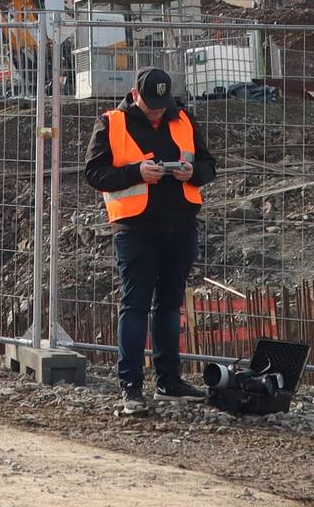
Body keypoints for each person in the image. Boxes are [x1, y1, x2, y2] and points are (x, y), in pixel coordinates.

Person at [83, 67, 217, 415]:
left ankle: (169, 381)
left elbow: (208, 164)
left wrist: (194, 173)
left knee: (170, 306)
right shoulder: (111, 123)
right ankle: (130, 387)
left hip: (180, 225)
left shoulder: (183, 118)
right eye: (151, 104)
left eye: (162, 104)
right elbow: (94, 174)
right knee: (136, 306)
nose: (157, 111)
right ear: (135, 95)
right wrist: (136, 173)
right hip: (135, 228)